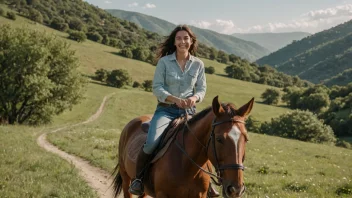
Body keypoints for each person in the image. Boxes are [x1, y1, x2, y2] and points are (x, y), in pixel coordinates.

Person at [128, 25, 219, 197]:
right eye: (179, 38)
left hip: (190, 112)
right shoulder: (164, 62)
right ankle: (139, 180)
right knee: (152, 142)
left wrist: (194, 98)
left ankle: (209, 185)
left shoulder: (198, 64)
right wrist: (174, 99)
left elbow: (201, 89)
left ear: (191, 41)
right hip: (166, 111)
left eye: (186, 38)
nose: (182, 41)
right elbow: (157, 87)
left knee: (204, 143)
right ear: (174, 41)